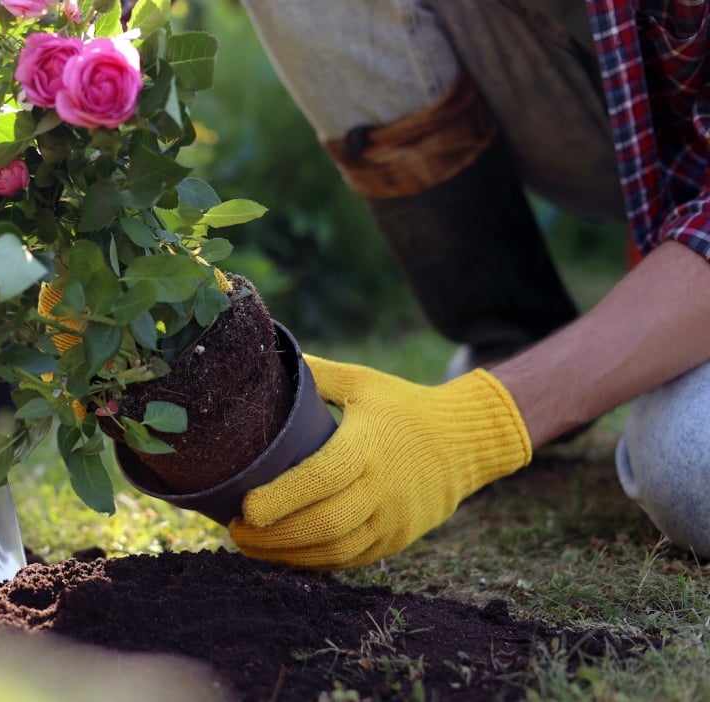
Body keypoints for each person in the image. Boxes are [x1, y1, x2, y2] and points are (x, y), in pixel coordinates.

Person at [227, 0, 710, 568]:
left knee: (689, 464)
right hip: (649, 122)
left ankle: (566, 380)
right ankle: (514, 337)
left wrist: (477, 423)